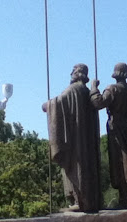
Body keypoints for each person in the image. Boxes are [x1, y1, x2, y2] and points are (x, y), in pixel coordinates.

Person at [43, 63, 102, 212]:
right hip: (87, 140)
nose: (71, 73)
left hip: (75, 141)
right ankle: (88, 201)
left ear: (78, 73)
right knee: (86, 167)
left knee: (74, 167)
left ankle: (79, 201)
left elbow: (57, 102)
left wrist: (47, 105)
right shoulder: (88, 92)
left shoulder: (73, 89)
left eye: (73, 71)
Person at [90, 63, 127, 209]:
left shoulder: (112, 89)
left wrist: (94, 87)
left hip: (116, 126)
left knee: (120, 161)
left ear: (116, 74)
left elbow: (98, 103)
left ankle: (125, 199)